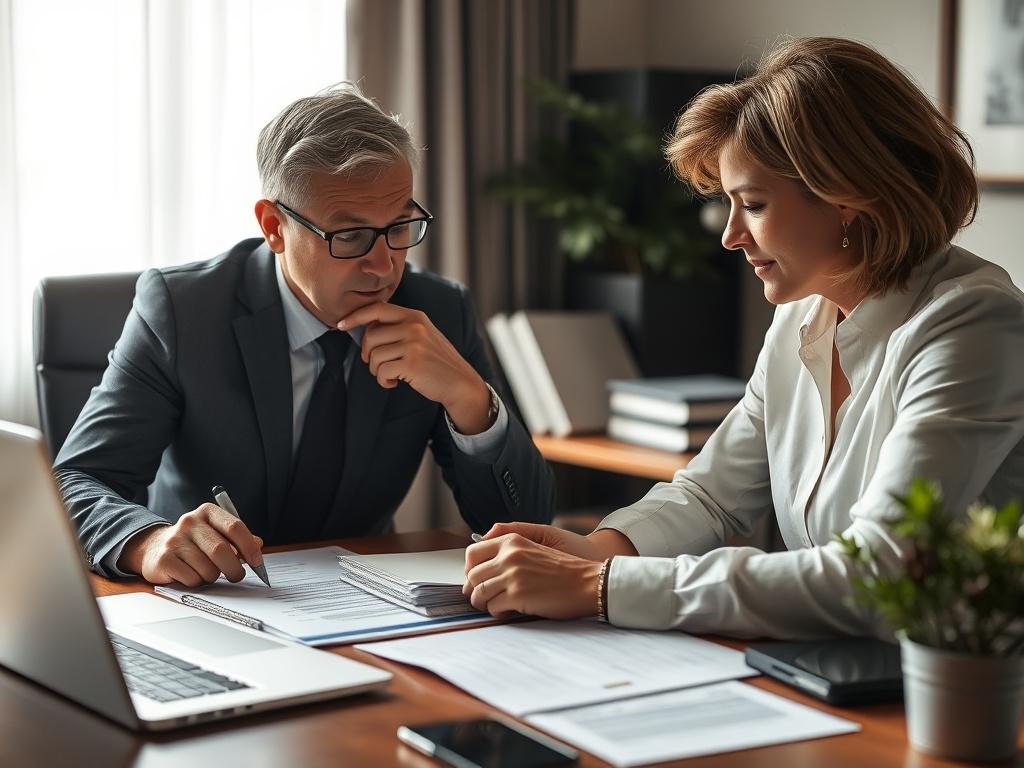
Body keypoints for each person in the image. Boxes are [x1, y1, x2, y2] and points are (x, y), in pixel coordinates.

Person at [463, 37, 1024, 639]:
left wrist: (598, 588)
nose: (731, 236)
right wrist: (596, 550)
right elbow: (712, 495)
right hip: (842, 674)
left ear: (846, 197)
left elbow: (880, 571)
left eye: (752, 204)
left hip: (959, 699)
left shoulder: (972, 327)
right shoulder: (803, 317)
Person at [56, 83, 554, 587]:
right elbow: (75, 484)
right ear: (274, 227)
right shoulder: (182, 311)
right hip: (208, 600)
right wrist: (148, 541)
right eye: (351, 236)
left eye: (400, 226)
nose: (383, 266)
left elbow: (530, 525)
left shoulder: (440, 310)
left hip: (372, 609)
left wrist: (469, 400)